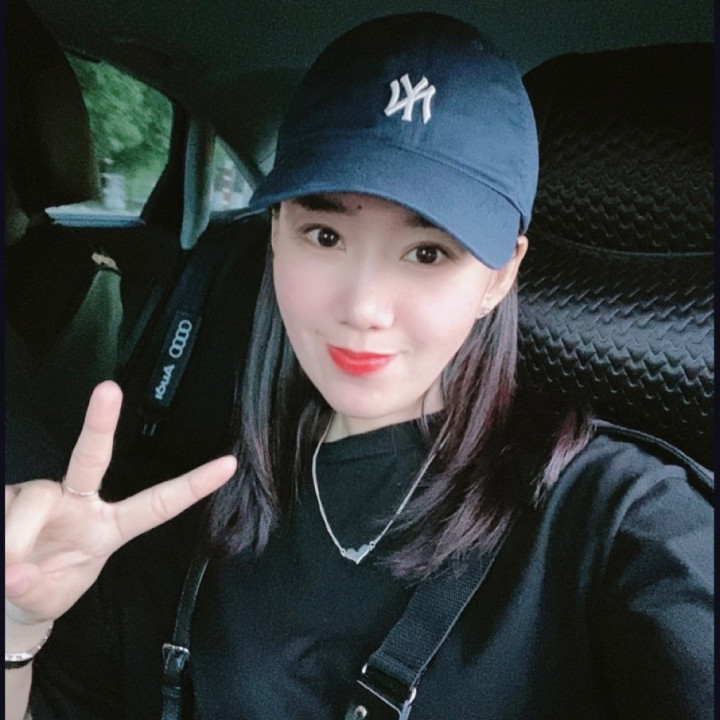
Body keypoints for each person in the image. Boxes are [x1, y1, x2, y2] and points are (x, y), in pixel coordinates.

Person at [5, 12, 713, 720]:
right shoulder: (185, 507)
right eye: (324, 234)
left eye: (428, 252)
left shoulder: (622, 523)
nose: (364, 307)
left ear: (500, 276)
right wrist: (17, 627)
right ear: (275, 234)